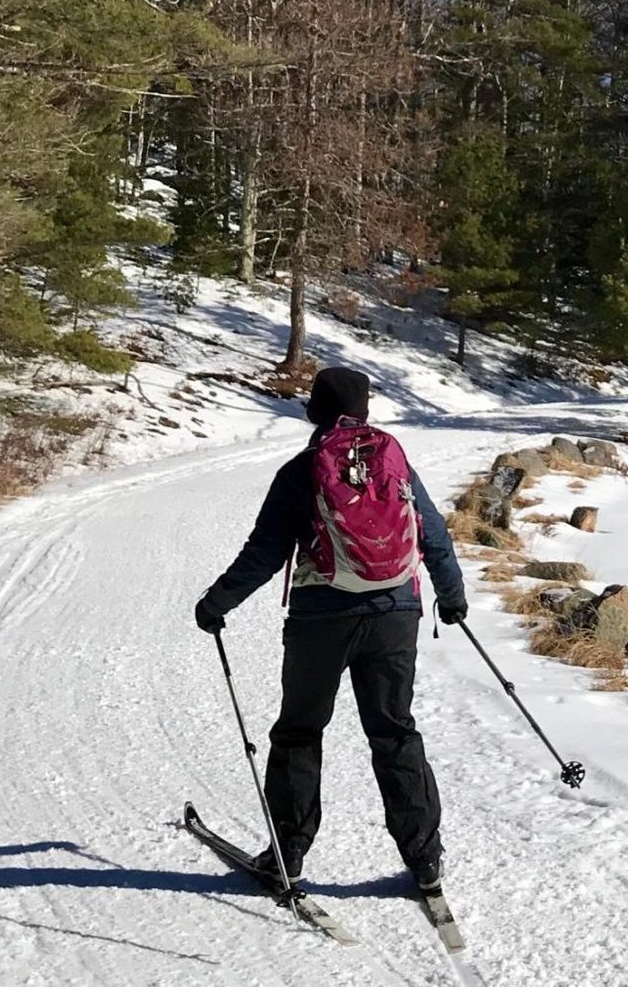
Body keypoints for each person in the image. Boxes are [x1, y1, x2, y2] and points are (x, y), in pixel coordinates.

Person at [194, 365, 466, 897]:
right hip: (395, 616)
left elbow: (265, 553)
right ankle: (425, 857)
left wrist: (216, 603)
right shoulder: (394, 461)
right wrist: (452, 598)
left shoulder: (302, 471)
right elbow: (433, 532)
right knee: (394, 733)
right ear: (365, 410)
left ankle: (288, 855)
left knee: (300, 731)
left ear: (313, 411)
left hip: (321, 620)